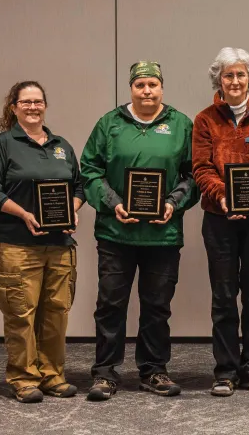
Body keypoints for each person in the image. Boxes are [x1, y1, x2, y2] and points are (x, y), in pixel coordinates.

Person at [80, 61, 198, 401]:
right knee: (110, 305)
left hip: (162, 236)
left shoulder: (180, 125)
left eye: (152, 85)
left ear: (162, 88)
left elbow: (194, 175)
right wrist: (112, 202)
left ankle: (153, 370)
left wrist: (174, 203)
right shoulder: (109, 124)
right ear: (131, 88)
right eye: (140, 85)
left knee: (157, 306)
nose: (146, 90)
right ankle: (104, 373)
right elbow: (89, 170)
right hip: (116, 234)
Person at [0, 81, 84, 403]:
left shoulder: (61, 145)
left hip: (59, 243)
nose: (33, 107)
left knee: (56, 312)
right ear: (14, 108)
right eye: (26, 102)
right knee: (21, 313)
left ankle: (52, 375)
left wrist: (73, 211)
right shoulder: (3, 144)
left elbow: (79, 188)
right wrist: (24, 213)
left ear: (45, 106)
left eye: (38, 101)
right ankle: (24, 379)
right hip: (17, 245)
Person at [192, 47, 249, 397]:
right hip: (220, 219)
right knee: (223, 297)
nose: (234, 81)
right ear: (219, 79)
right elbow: (201, 167)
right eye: (228, 75)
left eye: (240, 75)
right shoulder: (204, 120)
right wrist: (222, 195)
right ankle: (226, 371)